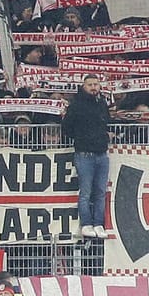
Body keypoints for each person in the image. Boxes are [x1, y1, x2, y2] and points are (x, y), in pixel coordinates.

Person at [61, 74, 110, 239]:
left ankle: (99, 223)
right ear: (84, 86)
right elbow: (66, 127)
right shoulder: (76, 106)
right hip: (84, 154)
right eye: (90, 84)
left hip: (102, 154)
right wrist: (81, 137)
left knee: (101, 192)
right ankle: (86, 223)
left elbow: (107, 122)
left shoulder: (102, 104)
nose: (94, 87)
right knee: (86, 191)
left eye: (96, 84)